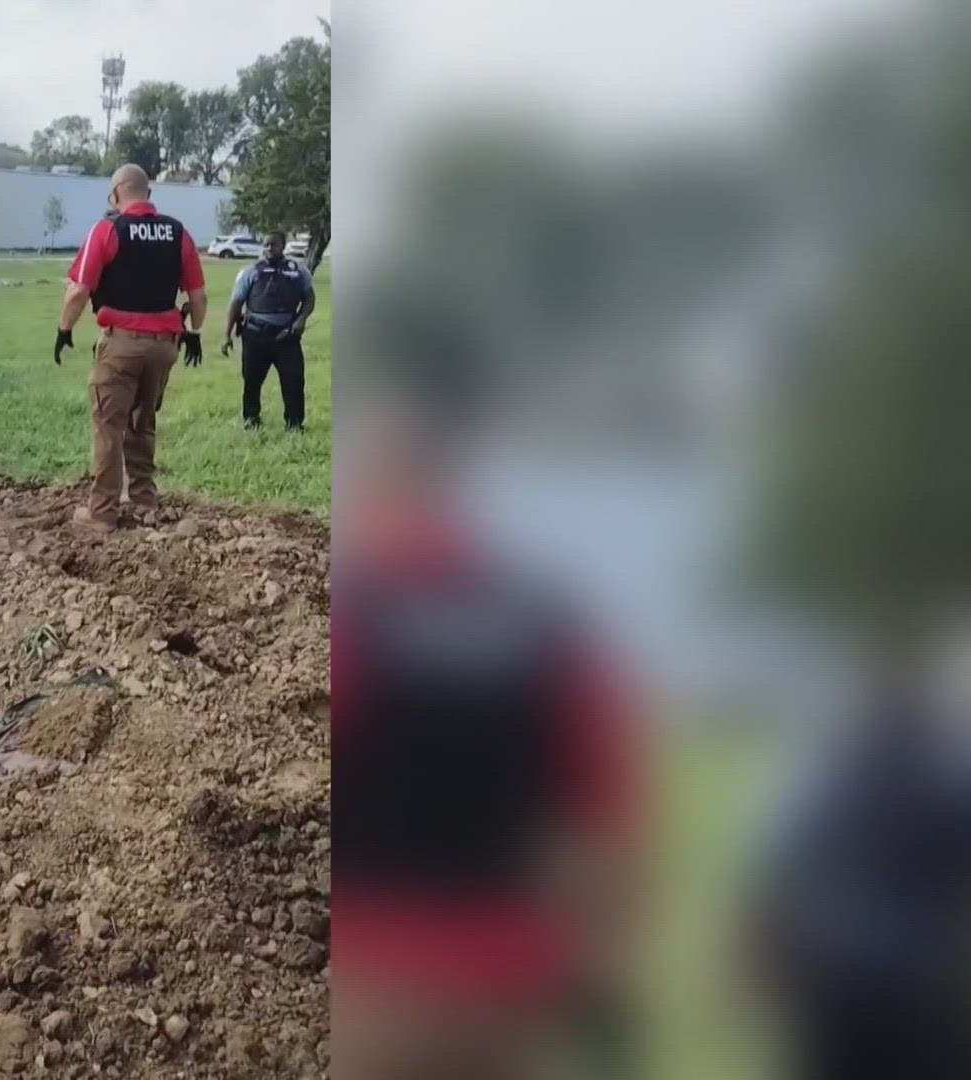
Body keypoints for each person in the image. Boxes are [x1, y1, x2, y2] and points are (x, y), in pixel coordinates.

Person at [331, 393, 647, 1080]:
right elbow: (605, 811)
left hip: (378, 977)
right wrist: (598, 957)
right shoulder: (542, 618)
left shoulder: (353, 619)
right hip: (507, 975)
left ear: (373, 491)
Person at [744, 653, 971, 1080]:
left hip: (836, 985)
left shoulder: (824, 781)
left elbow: (775, 878)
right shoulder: (955, 779)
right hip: (921, 985)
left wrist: (764, 962)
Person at [53, 163, 208, 530]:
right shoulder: (177, 233)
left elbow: (78, 290)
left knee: (109, 425)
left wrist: (63, 329)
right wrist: (195, 332)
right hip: (164, 348)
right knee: (143, 422)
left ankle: (102, 512)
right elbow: (198, 297)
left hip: (122, 345)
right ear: (148, 194)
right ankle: (143, 501)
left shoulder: (108, 230)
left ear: (115, 193)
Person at [222, 231, 316, 430]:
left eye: (273, 244)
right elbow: (236, 303)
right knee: (252, 380)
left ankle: (294, 423)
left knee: (294, 380)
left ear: (283, 246)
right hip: (256, 335)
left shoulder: (298, 271)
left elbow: (309, 298)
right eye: (265, 245)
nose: (268, 248)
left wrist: (301, 320)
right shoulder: (250, 272)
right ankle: (251, 419)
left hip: (287, 336)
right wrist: (226, 335)